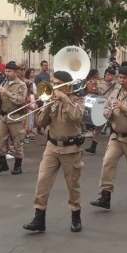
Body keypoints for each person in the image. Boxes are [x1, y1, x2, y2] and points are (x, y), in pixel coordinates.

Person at [23, 70, 85, 233]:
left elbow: (77, 117)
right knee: (42, 181)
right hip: (51, 147)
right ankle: (39, 217)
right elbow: (39, 122)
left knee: (73, 185)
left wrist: (64, 100)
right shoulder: (51, 100)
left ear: (66, 86)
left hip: (70, 148)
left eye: (57, 84)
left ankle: (76, 215)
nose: (54, 86)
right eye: (53, 83)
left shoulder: (77, 100)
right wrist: (48, 105)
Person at [91, 66, 127, 211]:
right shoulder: (115, 92)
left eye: (124, 78)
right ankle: (105, 196)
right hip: (116, 136)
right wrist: (107, 113)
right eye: (120, 77)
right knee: (108, 163)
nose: (121, 80)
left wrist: (124, 108)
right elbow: (106, 107)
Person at [0, 62, 28, 175]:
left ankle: (17, 165)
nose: (7, 73)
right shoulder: (4, 83)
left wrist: (7, 93)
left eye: (9, 71)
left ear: (16, 72)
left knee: (17, 142)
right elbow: (0, 99)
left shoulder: (21, 85)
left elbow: (20, 100)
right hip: (4, 116)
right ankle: (3, 163)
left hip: (16, 116)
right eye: (6, 71)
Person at [85, 67, 117, 154]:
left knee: (113, 128)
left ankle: (113, 147)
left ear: (113, 76)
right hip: (102, 107)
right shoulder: (101, 83)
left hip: (112, 108)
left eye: (109, 74)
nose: (106, 76)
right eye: (106, 74)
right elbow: (98, 92)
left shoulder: (117, 86)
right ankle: (93, 146)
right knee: (98, 127)